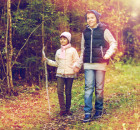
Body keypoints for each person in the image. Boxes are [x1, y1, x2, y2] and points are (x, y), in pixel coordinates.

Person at [74, 10, 118, 122]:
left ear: (97, 18)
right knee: (88, 88)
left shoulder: (104, 30)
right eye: (88, 18)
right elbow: (83, 49)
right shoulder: (85, 32)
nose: (89, 20)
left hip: (100, 64)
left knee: (99, 89)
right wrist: (78, 65)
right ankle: (87, 112)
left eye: (92, 17)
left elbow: (113, 43)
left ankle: (99, 110)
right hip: (88, 64)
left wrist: (108, 54)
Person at [44, 32, 79, 116]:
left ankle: (68, 109)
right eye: (61, 39)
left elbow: (77, 61)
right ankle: (62, 109)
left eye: (64, 39)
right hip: (60, 73)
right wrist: (47, 61)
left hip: (70, 73)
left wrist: (74, 66)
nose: (62, 40)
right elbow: (57, 63)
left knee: (68, 92)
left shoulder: (73, 50)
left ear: (68, 40)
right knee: (59, 91)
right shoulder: (58, 51)